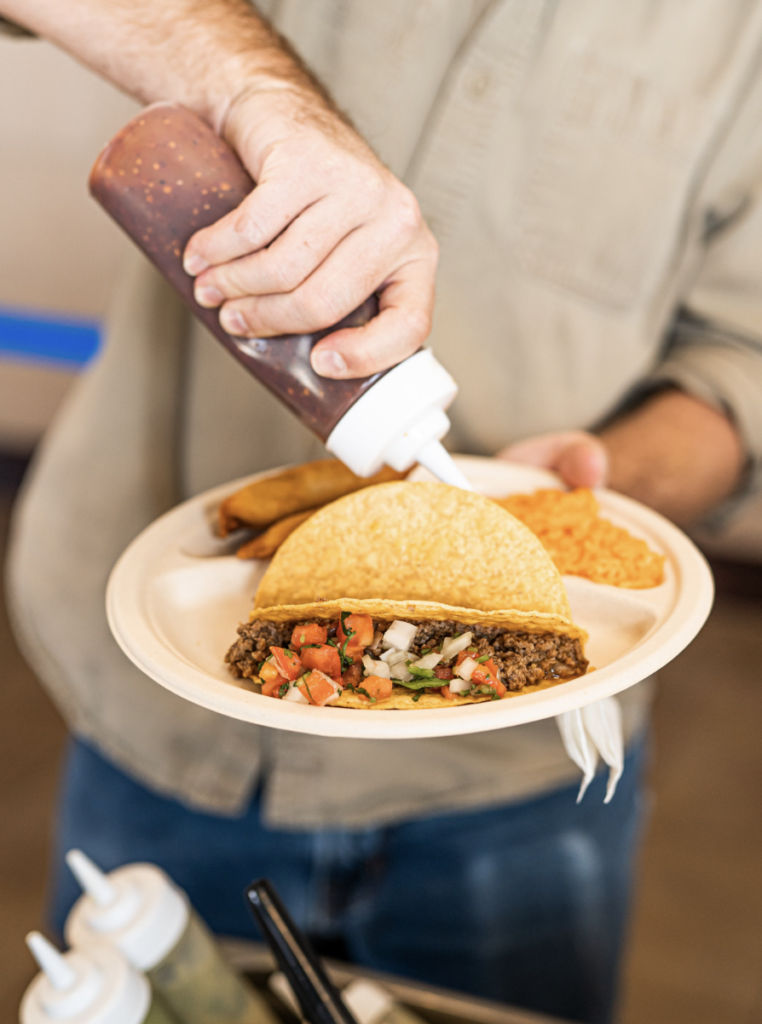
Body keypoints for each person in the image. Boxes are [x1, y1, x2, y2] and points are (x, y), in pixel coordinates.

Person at [3, 2, 760, 1022]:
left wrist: (607, 473)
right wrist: (255, 89)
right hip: (155, 716)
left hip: (517, 790)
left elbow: (741, 363)